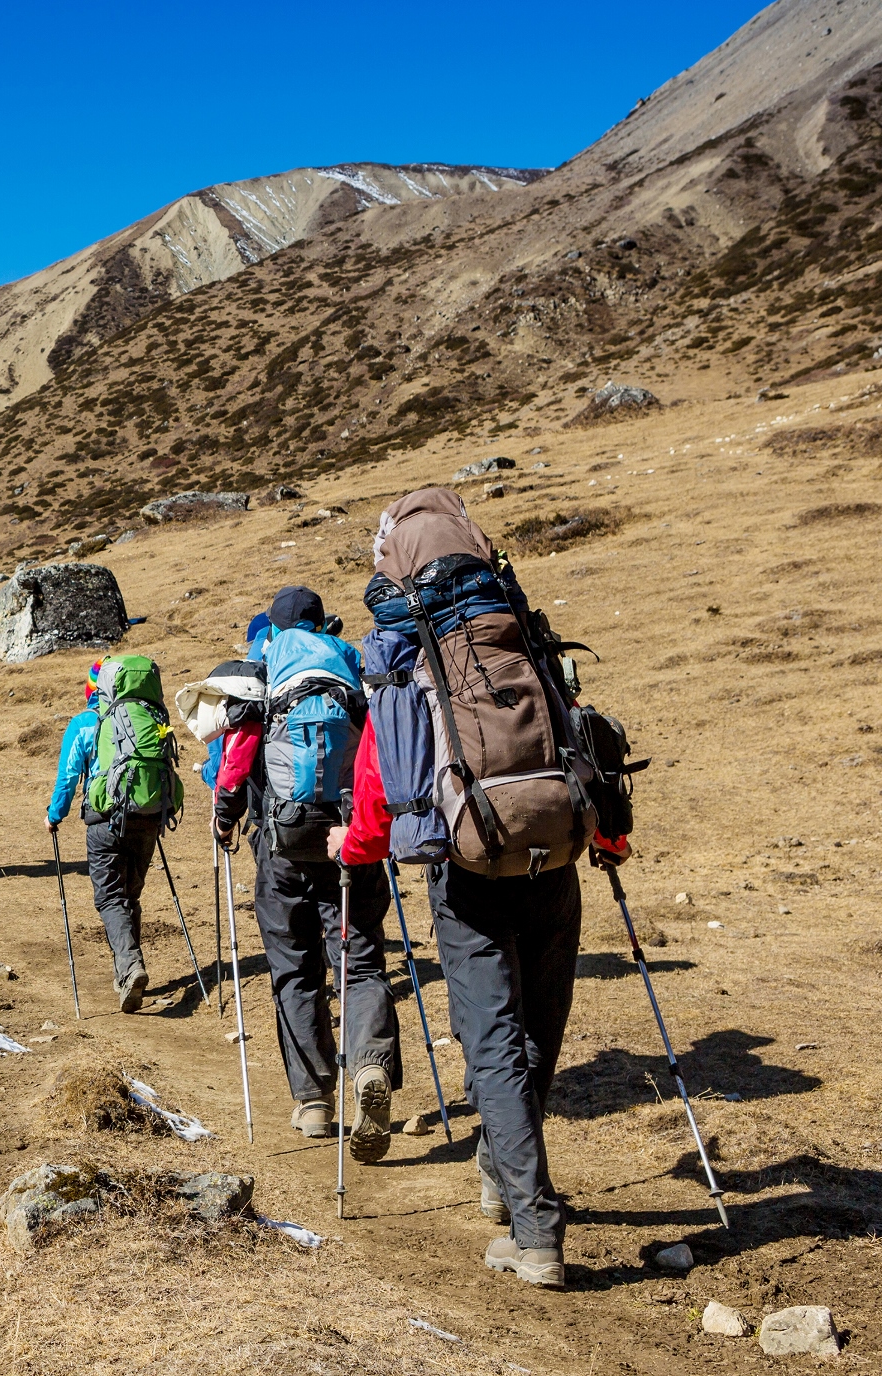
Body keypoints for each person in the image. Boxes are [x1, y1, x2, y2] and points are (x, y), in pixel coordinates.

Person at [352, 485, 632, 1289]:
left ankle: (535, 1228)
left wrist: (363, 844)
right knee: (538, 1028)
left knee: (493, 1044)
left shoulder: (402, 642)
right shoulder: (513, 615)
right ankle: (502, 1173)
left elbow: (383, 769)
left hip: (466, 863)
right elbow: (581, 722)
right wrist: (606, 830)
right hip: (556, 846)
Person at [223, 584, 400, 1159]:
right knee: (360, 960)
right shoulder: (351, 665)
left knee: (294, 971)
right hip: (349, 839)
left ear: (273, 627)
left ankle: (314, 1100)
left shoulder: (265, 667)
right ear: (325, 623)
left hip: (282, 844)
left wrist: (226, 812)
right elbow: (381, 749)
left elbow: (239, 752)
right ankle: (370, 1066)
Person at [44, 657, 175, 1013]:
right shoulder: (149, 717)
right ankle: (126, 972)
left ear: (94, 690)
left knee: (109, 898)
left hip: (104, 821)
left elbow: (69, 776)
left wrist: (54, 815)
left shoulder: (85, 723)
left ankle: (130, 967)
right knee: (130, 895)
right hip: (148, 816)